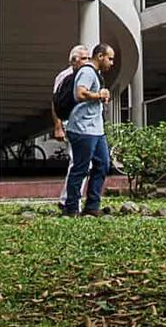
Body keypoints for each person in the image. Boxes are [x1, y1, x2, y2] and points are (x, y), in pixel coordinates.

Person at [62, 43, 115, 216]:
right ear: (100, 56)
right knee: (80, 168)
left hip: (96, 129)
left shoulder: (96, 74)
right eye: (110, 58)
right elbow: (80, 93)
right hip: (82, 128)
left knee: (103, 164)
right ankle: (71, 208)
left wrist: (101, 96)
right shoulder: (86, 72)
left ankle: (92, 206)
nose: (112, 63)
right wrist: (99, 95)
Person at [52, 44, 90, 207]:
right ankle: (70, 200)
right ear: (74, 60)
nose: (87, 61)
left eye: (88, 58)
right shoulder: (64, 76)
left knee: (83, 162)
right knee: (79, 160)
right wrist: (58, 126)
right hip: (70, 122)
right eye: (84, 58)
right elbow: (55, 102)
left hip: (85, 124)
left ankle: (68, 198)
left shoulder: (88, 74)